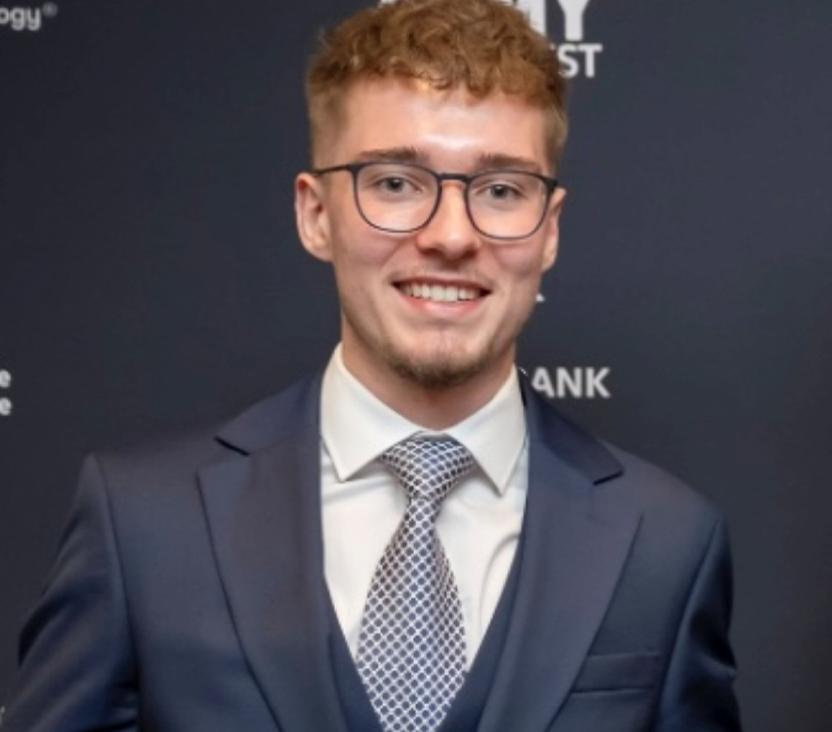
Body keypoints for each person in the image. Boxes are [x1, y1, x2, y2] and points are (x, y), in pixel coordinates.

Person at [2, 1, 741, 730]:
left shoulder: (666, 542)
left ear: (549, 232)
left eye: (502, 191)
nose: (451, 236)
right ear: (315, 214)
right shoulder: (143, 523)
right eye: (395, 183)